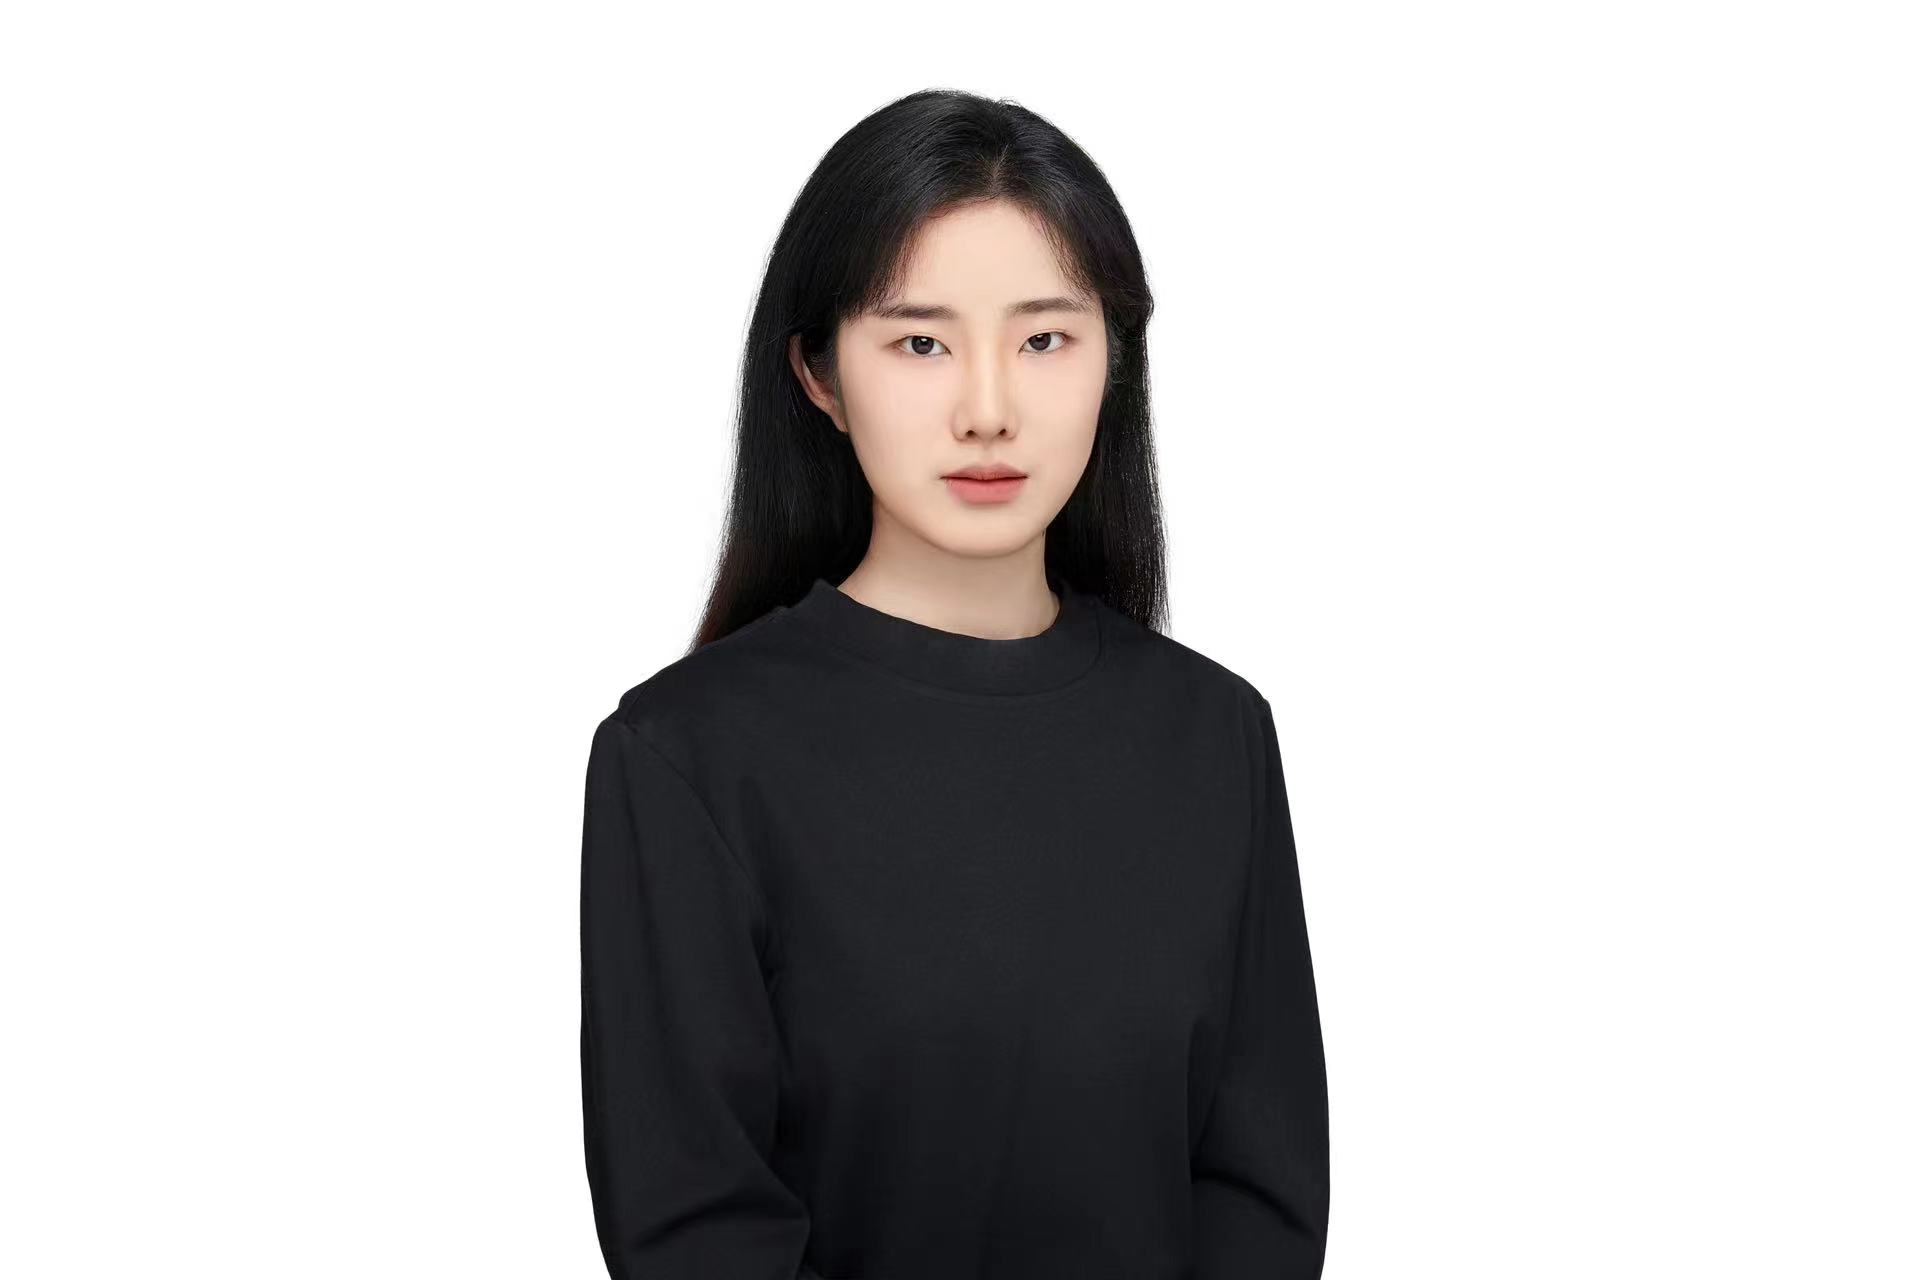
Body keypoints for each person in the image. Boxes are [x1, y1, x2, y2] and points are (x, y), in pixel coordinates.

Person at [579, 88, 1329, 1279]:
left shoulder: (1215, 734)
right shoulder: (684, 755)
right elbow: (697, 1226)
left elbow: (1260, 1198)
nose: (989, 410)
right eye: (920, 343)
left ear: (1115, 361)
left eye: (1045, 340)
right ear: (820, 374)